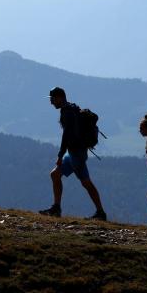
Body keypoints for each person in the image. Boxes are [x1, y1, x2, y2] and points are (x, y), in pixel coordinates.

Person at [39, 87, 107, 220]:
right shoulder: (71, 108)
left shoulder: (67, 112)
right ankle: (56, 208)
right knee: (55, 175)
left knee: (86, 182)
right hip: (75, 152)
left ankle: (100, 213)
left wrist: (60, 155)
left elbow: (67, 135)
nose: (51, 102)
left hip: (77, 153)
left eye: (52, 99)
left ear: (60, 97)